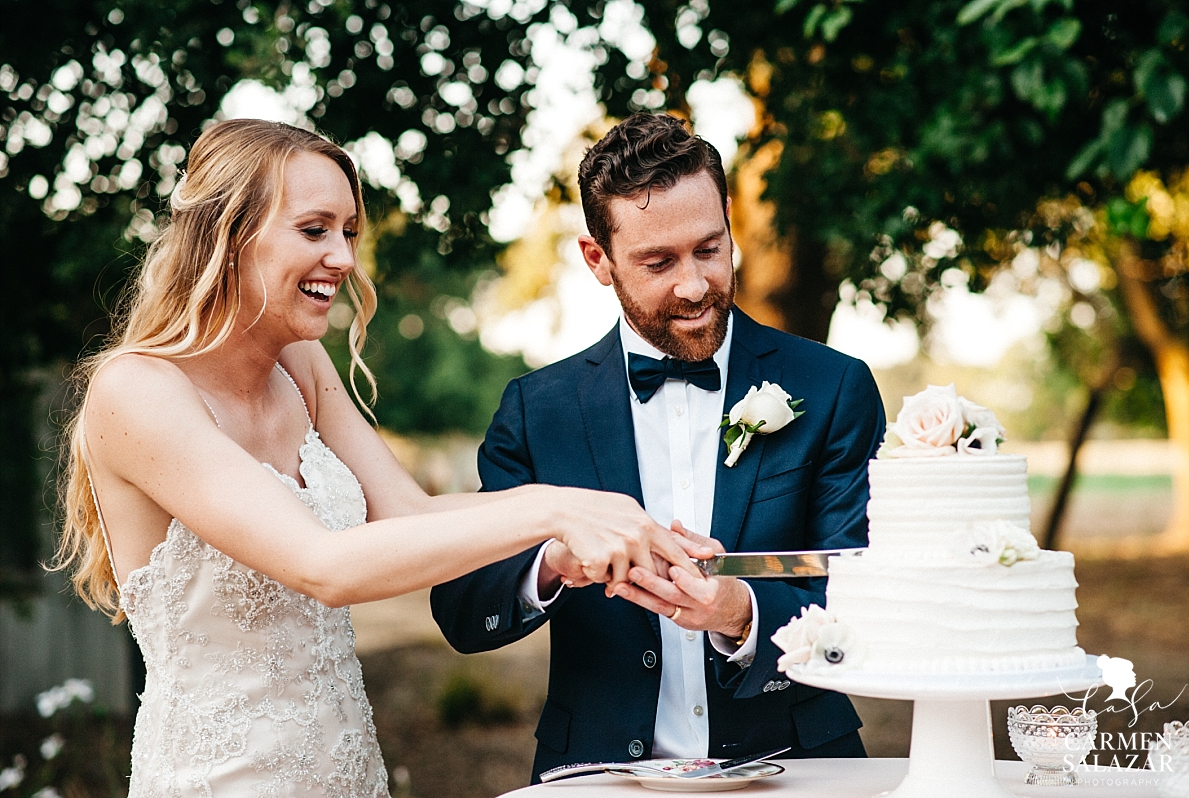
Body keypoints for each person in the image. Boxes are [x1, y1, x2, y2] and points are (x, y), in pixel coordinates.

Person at [53, 118, 707, 797]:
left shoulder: (301, 365)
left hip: (347, 771)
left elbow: (408, 512)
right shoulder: (136, 391)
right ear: (227, 234)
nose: (343, 258)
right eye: (314, 230)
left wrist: (564, 543)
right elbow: (323, 565)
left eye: (348, 233)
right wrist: (557, 504)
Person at [430, 113, 887, 779]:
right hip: (596, 774)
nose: (696, 285)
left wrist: (741, 611)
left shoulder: (833, 388)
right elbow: (465, 609)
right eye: (658, 262)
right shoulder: (537, 411)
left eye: (709, 248)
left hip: (801, 766)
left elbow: (868, 586)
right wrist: (553, 560)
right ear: (598, 259)